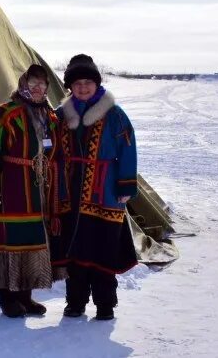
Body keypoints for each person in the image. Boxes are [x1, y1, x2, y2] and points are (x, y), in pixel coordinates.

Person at [53, 53, 138, 321]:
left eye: (88, 82)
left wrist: (126, 185)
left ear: (97, 83)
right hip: (71, 191)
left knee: (104, 248)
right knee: (74, 249)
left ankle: (105, 305)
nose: (82, 87)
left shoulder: (114, 114)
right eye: (77, 83)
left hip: (105, 191)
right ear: (69, 86)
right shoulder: (61, 115)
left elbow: (127, 149)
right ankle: (75, 302)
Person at [0, 63, 63, 318]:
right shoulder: (3, 114)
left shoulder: (50, 117)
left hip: (38, 193)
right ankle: (7, 298)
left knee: (31, 243)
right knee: (7, 243)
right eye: (32, 83)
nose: (37, 89)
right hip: (11, 189)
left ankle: (25, 297)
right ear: (23, 84)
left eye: (42, 84)